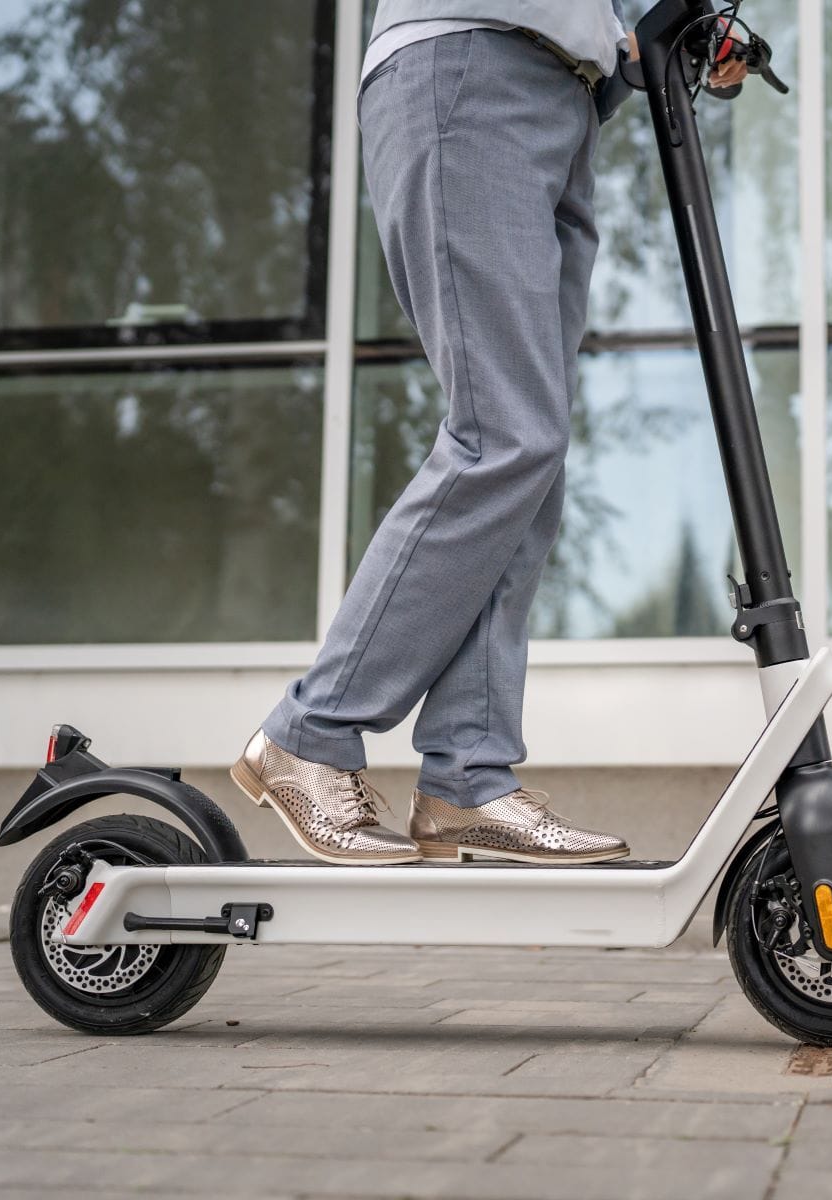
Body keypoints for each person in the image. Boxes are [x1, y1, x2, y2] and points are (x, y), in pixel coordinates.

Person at [231, 3, 750, 866]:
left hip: (566, 101)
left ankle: (467, 776)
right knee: (502, 438)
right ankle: (309, 735)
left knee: (529, 463)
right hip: (469, 63)